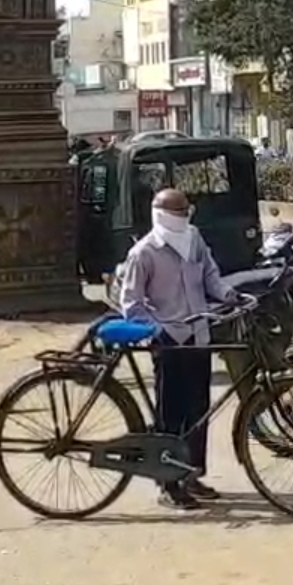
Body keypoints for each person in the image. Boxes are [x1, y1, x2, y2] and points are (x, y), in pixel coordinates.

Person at [116, 187, 241, 510]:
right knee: (171, 415)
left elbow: (211, 276)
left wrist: (228, 294)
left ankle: (191, 474)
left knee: (198, 412)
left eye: (187, 211)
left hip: (199, 335)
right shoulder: (144, 253)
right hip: (169, 343)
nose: (185, 217)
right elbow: (131, 304)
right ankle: (168, 484)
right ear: (162, 215)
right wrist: (159, 330)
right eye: (179, 213)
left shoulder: (194, 239)